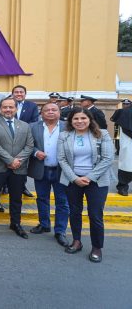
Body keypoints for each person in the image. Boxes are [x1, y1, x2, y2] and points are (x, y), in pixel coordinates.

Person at [58, 108, 115, 263]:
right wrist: (75, 178)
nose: (79, 121)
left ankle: (97, 247)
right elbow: (61, 159)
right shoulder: (65, 136)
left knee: (95, 215)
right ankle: (77, 241)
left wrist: (89, 177)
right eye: (76, 119)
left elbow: (108, 158)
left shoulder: (102, 134)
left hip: (97, 181)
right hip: (72, 180)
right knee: (75, 212)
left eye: (83, 118)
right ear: (71, 121)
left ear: (90, 119)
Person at [0, 98, 34, 239]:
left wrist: (17, 161)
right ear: (0, 109)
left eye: (11, 107)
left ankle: (16, 223)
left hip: (18, 168)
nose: (8, 110)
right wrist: (10, 160)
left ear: (16, 109)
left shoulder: (25, 126)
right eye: (5, 107)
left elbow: (29, 146)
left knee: (16, 198)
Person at [27, 103, 70, 247]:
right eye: (47, 110)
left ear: (59, 112)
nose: (50, 112)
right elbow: (28, 144)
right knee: (42, 198)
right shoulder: (33, 127)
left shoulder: (68, 126)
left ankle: (60, 231)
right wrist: (35, 152)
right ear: (41, 113)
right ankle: (44, 224)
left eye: (54, 110)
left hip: (61, 170)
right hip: (42, 169)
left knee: (62, 201)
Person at [111, 99, 132, 196]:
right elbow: (118, 128)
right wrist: (117, 142)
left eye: (127, 103)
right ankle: (123, 186)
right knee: (127, 164)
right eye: (124, 103)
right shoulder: (123, 112)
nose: (125, 105)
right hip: (128, 141)